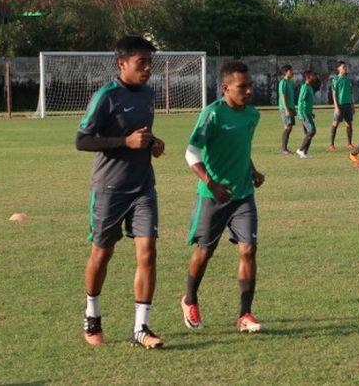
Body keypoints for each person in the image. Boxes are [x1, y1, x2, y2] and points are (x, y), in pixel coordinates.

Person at [76, 35, 165, 349]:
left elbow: (142, 134)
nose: (147, 68)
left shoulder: (150, 94)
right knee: (102, 253)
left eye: (149, 62)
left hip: (143, 187)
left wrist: (153, 143)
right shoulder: (106, 96)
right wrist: (123, 143)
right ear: (122, 63)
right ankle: (92, 315)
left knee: (148, 253)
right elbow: (82, 140)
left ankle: (141, 327)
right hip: (110, 189)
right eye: (142, 62)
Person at [181, 60, 266, 333]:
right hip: (213, 196)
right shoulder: (212, 114)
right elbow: (191, 152)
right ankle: (190, 299)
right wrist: (212, 183)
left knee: (249, 249)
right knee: (204, 252)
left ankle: (245, 314)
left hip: (242, 194)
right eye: (243, 87)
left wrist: (252, 171)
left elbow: (239, 148)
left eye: (250, 85)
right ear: (225, 88)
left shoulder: (252, 115)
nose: (249, 91)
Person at [329, 61, 355, 151]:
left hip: (348, 105)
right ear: (338, 68)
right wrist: (336, 107)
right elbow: (334, 94)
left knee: (349, 124)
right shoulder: (336, 79)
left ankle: (349, 144)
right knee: (335, 123)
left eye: (346, 67)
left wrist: (352, 105)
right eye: (343, 67)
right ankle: (331, 144)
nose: (345, 68)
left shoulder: (348, 79)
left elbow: (350, 93)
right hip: (340, 105)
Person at [295, 70, 318, 159]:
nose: (315, 77)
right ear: (308, 77)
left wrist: (311, 112)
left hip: (308, 113)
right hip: (304, 113)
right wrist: (301, 114)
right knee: (312, 131)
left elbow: (307, 102)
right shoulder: (305, 87)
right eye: (313, 76)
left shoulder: (309, 87)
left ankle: (304, 153)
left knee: (308, 133)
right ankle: (300, 149)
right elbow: (301, 101)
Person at [277, 65, 296, 155]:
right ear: (286, 72)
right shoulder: (283, 82)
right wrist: (286, 109)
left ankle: (285, 148)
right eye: (290, 70)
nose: (292, 72)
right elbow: (283, 96)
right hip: (285, 108)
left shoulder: (290, 83)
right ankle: (283, 149)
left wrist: (293, 108)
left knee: (290, 127)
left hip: (290, 107)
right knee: (287, 127)